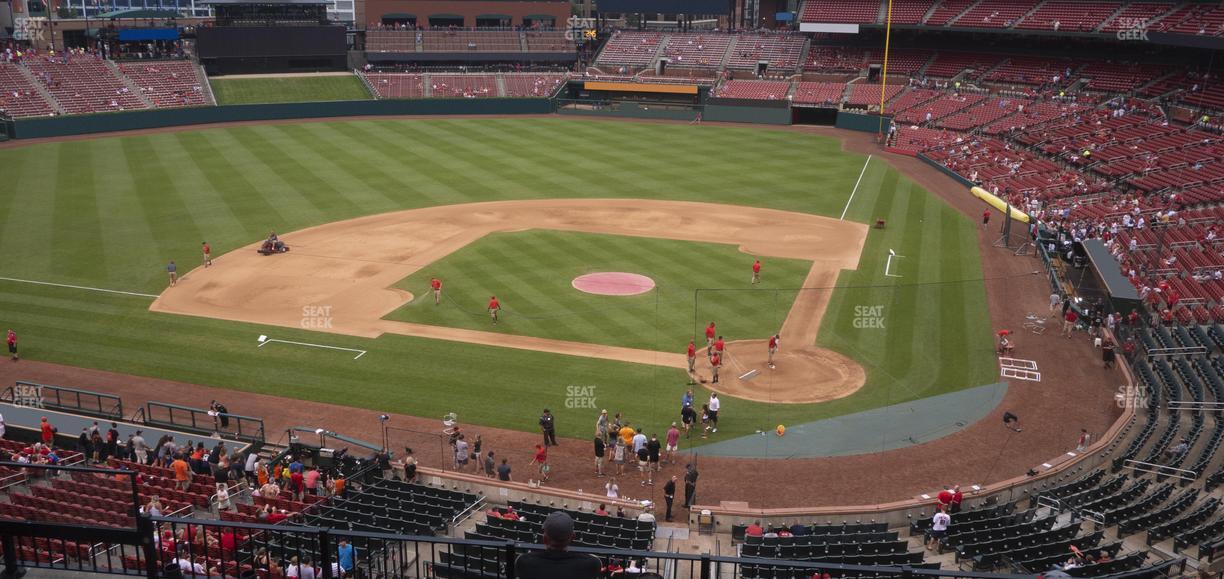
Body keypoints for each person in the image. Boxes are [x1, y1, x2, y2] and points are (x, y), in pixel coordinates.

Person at [513, 511, 601, 579]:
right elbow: (596, 560)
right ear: (572, 537)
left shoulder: (524, 562)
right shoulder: (591, 564)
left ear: (544, 539)